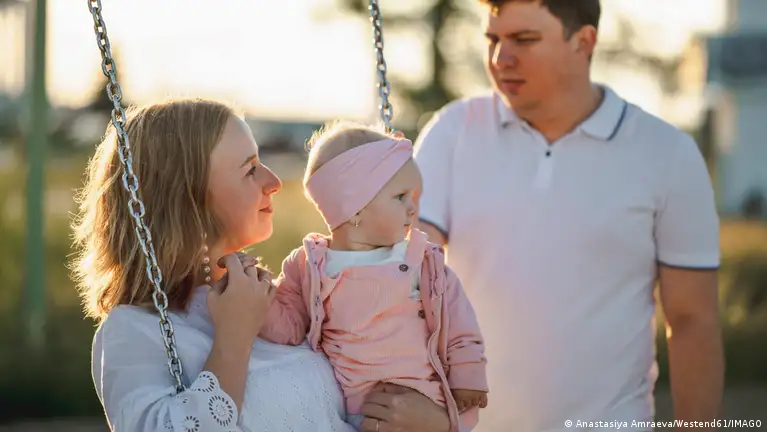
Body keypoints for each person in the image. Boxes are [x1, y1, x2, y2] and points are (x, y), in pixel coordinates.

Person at [413, 0, 724, 431]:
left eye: (524, 39)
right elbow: (404, 270)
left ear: (583, 41)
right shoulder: (451, 132)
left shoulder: (668, 155)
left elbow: (693, 322)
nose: (501, 58)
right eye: (493, 39)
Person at [71, 99, 455, 432]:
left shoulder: (284, 300)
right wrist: (234, 336)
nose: (273, 181)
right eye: (250, 168)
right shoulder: (135, 330)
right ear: (188, 196)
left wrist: (438, 423)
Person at [257, 122, 489, 432]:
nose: (413, 209)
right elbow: (290, 327)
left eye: (414, 197)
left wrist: (469, 375)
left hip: (425, 403)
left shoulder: (422, 262)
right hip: (358, 416)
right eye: (401, 197)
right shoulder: (310, 266)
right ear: (354, 208)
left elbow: (460, 324)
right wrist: (260, 301)